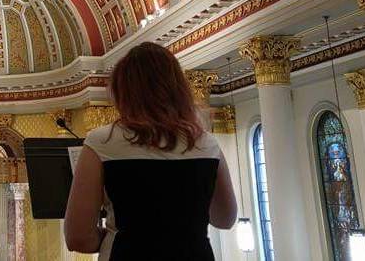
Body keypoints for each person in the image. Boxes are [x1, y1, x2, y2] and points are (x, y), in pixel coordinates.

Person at [64, 42, 237, 260]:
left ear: (122, 91)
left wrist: (115, 238)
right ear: (178, 89)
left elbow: (78, 236)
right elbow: (225, 218)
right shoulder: (206, 143)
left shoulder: (102, 142)